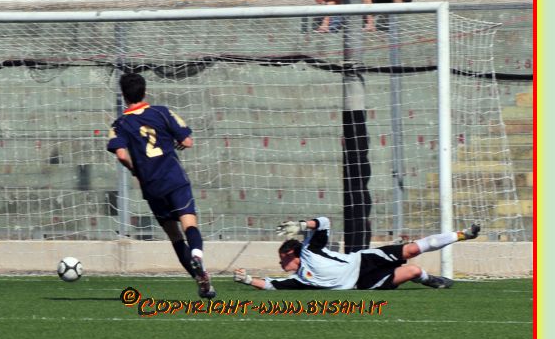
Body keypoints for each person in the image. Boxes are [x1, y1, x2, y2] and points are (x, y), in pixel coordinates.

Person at [107, 72, 216, 299]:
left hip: (152, 186)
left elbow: (121, 154)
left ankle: (201, 282)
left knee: (174, 236)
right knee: (189, 224)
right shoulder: (162, 112)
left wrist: (135, 170)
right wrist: (177, 141)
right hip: (174, 179)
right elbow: (187, 141)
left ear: (124, 96)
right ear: (145, 91)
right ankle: (197, 255)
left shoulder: (120, 124)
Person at [234, 217, 480, 290]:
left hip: (364, 259)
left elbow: (324, 222)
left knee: (412, 249)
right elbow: (271, 285)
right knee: (414, 271)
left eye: (282, 259)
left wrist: (302, 225)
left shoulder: (310, 249)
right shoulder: (299, 281)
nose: (280, 264)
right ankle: (432, 280)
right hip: (363, 282)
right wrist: (247, 280)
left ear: (291, 253)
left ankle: (463, 234)